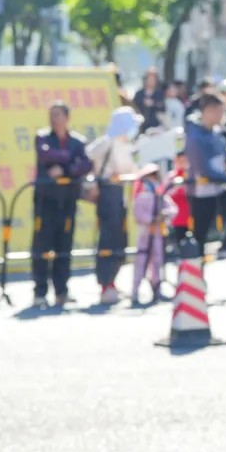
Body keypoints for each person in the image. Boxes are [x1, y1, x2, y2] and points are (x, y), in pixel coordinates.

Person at [32, 101, 92, 308]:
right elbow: (46, 155)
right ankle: (40, 291)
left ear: (67, 117)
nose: (54, 119)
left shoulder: (77, 141)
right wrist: (71, 160)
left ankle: (61, 291)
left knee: (64, 247)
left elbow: (85, 164)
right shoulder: (42, 137)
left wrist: (65, 170)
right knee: (41, 246)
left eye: (58, 114)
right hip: (46, 200)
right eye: (52, 115)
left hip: (67, 199)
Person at [185, 90, 226, 259]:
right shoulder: (195, 136)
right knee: (200, 233)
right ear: (207, 111)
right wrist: (224, 177)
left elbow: (223, 153)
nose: (222, 116)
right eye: (219, 111)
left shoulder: (215, 132)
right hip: (202, 192)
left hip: (219, 188)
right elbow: (202, 166)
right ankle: (195, 267)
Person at [86, 106, 141, 305]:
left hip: (120, 192)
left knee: (120, 238)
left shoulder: (127, 145)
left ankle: (113, 280)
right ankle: (105, 283)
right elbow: (87, 158)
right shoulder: (106, 142)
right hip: (107, 192)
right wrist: (94, 180)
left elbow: (131, 169)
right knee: (107, 238)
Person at [130, 163, 177, 304]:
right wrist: (152, 219)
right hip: (146, 234)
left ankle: (157, 289)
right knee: (141, 263)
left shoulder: (161, 196)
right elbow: (139, 215)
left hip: (158, 234)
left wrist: (165, 215)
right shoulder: (141, 197)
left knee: (157, 261)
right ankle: (135, 292)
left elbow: (173, 209)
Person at [165, 151, 191, 248]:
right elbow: (165, 192)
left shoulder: (191, 175)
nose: (182, 163)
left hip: (190, 212)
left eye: (184, 161)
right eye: (180, 161)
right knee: (179, 239)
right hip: (177, 214)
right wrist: (177, 188)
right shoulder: (171, 176)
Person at [133, 67, 165, 132]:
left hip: (155, 126)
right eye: (150, 79)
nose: (151, 81)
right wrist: (143, 103)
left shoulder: (159, 93)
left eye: (154, 79)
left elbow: (162, 107)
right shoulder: (139, 93)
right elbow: (134, 106)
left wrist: (153, 104)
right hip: (140, 126)